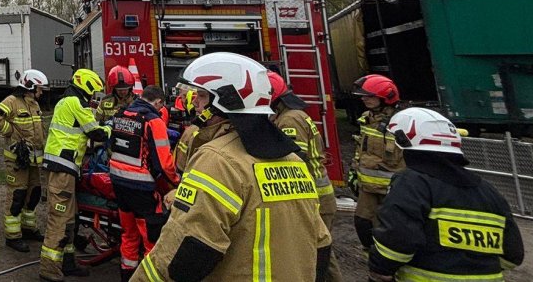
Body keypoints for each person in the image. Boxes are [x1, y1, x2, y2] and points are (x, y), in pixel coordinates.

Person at [131, 52, 332, 282]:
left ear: (224, 102)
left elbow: (181, 255)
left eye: (203, 96)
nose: (194, 101)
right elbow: (321, 245)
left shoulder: (217, 160)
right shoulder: (294, 161)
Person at [367, 107, 523, 281]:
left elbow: (395, 243)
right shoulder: (490, 193)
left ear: (408, 144)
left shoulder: (412, 183)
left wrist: (379, 269)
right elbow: (513, 256)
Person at [268, 71, 341, 282]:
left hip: (315, 196)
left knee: (320, 252)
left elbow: (293, 159)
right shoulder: (291, 115)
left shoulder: (289, 120)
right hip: (316, 194)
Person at [40, 68, 110, 281]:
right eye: (93, 92)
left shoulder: (66, 100)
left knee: (70, 218)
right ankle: (48, 268)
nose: (93, 97)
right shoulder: (75, 103)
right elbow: (95, 131)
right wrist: (112, 128)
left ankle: (67, 262)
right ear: (86, 87)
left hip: (66, 168)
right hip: (63, 169)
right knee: (59, 218)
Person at [106, 85, 177, 280]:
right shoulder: (154, 120)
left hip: (119, 184)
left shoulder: (121, 115)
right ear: (159, 102)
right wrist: (177, 183)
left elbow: (112, 147)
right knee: (150, 240)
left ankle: (127, 276)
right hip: (143, 189)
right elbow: (164, 164)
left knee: (128, 235)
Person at [0, 69, 49, 253]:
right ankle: (12, 236)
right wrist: (10, 132)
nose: (42, 91)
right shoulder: (12, 102)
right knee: (17, 196)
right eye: (39, 88)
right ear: (30, 86)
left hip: (32, 162)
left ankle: (28, 229)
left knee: (34, 194)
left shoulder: (34, 104)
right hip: (17, 162)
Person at [350, 74, 405, 251]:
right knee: (362, 223)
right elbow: (361, 147)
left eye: (370, 96)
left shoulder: (401, 122)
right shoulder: (367, 118)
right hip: (368, 188)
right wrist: (354, 171)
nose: (365, 99)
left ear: (386, 97)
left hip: (393, 190)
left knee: (394, 231)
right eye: (364, 96)